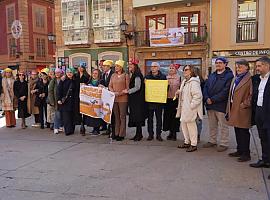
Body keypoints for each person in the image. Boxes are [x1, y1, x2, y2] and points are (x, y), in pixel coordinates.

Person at [203, 57, 234, 152]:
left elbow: (226, 91)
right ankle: (212, 141)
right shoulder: (212, 75)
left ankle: (224, 143)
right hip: (210, 104)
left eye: (220, 63)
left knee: (223, 125)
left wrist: (212, 99)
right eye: (217, 63)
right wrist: (207, 98)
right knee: (212, 125)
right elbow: (206, 87)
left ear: (225, 64)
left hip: (221, 105)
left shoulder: (229, 76)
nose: (218, 64)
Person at [226, 59, 252, 162]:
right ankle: (239, 150)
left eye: (240, 67)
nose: (238, 69)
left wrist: (244, 104)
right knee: (237, 130)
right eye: (237, 67)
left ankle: (246, 153)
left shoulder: (250, 79)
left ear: (246, 67)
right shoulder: (235, 78)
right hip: (234, 107)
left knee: (244, 132)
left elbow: (251, 95)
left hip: (243, 109)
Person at [249, 56, 270, 174]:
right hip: (259, 112)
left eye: (259, 66)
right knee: (263, 138)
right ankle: (265, 160)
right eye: (256, 66)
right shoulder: (257, 79)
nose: (257, 68)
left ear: (267, 66)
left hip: (268, 113)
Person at [176, 65, 203, 152]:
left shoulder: (194, 82)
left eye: (186, 69)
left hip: (190, 109)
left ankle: (193, 144)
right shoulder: (184, 81)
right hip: (184, 108)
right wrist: (179, 92)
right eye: (184, 69)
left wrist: (191, 106)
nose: (184, 71)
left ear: (191, 71)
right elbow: (185, 92)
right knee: (184, 126)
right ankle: (187, 142)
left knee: (191, 127)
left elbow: (198, 96)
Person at [124, 59, 146, 141]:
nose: (129, 66)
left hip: (137, 100)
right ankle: (137, 134)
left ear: (135, 66)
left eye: (131, 65)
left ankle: (139, 135)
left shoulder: (137, 74)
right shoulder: (134, 74)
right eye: (129, 65)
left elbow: (137, 87)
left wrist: (128, 91)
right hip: (134, 99)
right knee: (136, 118)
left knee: (138, 118)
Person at [145, 62, 167, 141]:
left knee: (159, 119)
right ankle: (150, 134)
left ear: (158, 68)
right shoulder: (147, 77)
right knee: (150, 119)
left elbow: (165, 88)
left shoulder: (163, 77)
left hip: (159, 102)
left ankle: (158, 135)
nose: (153, 68)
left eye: (154, 66)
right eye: (152, 66)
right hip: (150, 102)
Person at [109, 60, 130, 141]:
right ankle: (116, 133)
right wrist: (113, 92)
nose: (116, 67)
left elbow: (127, 88)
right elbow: (110, 86)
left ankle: (122, 134)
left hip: (123, 99)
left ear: (121, 67)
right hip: (114, 98)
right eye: (115, 66)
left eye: (117, 66)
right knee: (116, 117)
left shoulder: (126, 75)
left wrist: (120, 93)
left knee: (122, 117)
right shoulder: (113, 75)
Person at [57, 67, 78, 136]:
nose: (69, 74)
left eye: (71, 72)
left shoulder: (75, 80)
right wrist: (59, 99)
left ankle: (72, 129)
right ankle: (68, 130)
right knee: (66, 116)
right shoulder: (63, 80)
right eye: (68, 72)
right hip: (65, 102)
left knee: (72, 115)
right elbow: (59, 90)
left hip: (73, 101)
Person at [163, 64, 181, 141]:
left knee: (175, 117)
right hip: (167, 99)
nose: (171, 69)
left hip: (175, 100)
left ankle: (174, 133)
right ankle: (170, 132)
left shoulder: (179, 78)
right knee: (168, 116)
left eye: (172, 68)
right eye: (170, 68)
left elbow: (181, 88)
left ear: (176, 70)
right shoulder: (166, 77)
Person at [83, 69, 104, 135]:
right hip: (90, 101)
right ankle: (93, 129)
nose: (94, 75)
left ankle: (97, 129)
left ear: (98, 75)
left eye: (96, 73)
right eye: (93, 73)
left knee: (97, 115)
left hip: (98, 102)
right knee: (91, 115)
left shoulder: (101, 81)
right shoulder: (89, 81)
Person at [100, 60, 115, 136]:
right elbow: (103, 82)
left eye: (105, 66)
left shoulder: (113, 74)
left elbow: (112, 86)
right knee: (107, 113)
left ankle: (112, 129)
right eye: (103, 66)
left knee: (112, 114)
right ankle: (108, 129)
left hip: (112, 96)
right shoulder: (103, 74)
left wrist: (105, 87)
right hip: (106, 97)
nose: (103, 67)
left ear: (109, 67)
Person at [75, 61, 90, 136]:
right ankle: (80, 124)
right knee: (78, 112)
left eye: (82, 67)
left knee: (84, 112)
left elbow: (89, 86)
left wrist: (86, 85)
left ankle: (83, 126)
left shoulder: (87, 76)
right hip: (76, 96)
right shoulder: (75, 75)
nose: (80, 68)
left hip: (84, 96)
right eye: (79, 67)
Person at [48, 68, 63, 134]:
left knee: (61, 114)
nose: (57, 74)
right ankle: (56, 127)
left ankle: (60, 126)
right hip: (55, 100)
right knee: (57, 114)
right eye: (56, 73)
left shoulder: (63, 79)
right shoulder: (53, 81)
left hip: (62, 100)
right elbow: (50, 91)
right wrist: (52, 101)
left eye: (58, 72)